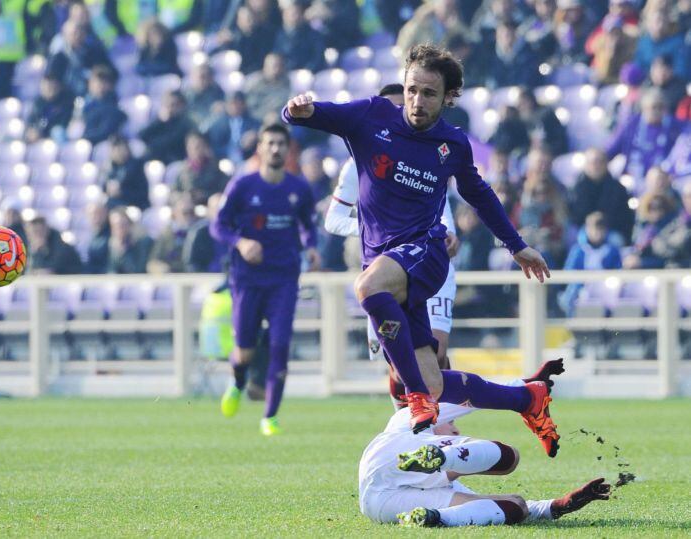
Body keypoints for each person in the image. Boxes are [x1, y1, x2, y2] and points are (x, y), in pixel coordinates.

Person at [283, 44, 551, 437]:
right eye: (411, 90)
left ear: (447, 98)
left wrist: (516, 245)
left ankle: (416, 397)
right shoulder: (371, 116)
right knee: (436, 381)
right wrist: (296, 109)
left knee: (368, 289)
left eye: (428, 93)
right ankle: (528, 398)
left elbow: (480, 195)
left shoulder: (452, 144)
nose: (417, 101)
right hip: (383, 259)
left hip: (426, 252)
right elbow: (304, 115)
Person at [324, 83, 458, 396]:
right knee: (401, 360)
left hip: (428, 258)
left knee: (436, 351)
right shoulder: (358, 163)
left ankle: (444, 423)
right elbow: (333, 221)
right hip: (385, 265)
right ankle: (413, 423)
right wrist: (375, 227)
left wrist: (450, 233)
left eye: (402, 107)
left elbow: (443, 206)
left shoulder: (427, 153)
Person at [360, 379, 610, 527]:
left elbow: (473, 396)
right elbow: (471, 397)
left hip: (377, 504)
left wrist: (559, 505)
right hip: (390, 466)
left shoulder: (407, 420)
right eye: (453, 428)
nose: (456, 432)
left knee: (516, 507)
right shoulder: (409, 419)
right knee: (510, 457)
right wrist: (521, 386)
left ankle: (434, 518)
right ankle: (442, 462)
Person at [211, 123, 320, 436]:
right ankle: (238, 380)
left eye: (280, 144)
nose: (275, 149)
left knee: (280, 345)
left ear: (288, 150)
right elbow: (218, 227)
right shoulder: (242, 186)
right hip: (247, 280)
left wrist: (311, 248)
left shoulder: (298, 189)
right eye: (269, 143)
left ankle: (270, 417)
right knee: (244, 349)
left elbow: (307, 226)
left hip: (284, 278)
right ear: (259, 149)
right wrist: (241, 243)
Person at [606, 88, 684, 187]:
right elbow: (612, 147)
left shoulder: (674, 126)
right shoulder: (631, 124)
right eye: (653, 107)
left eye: (660, 107)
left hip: (662, 181)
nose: (656, 111)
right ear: (644, 108)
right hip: (632, 177)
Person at [558, 212, 622, 316]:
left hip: (604, 285)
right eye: (593, 229)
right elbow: (569, 270)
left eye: (600, 229)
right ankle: (571, 317)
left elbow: (618, 269)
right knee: (573, 290)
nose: (597, 233)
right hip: (583, 285)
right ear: (587, 229)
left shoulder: (611, 250)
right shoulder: (578, 250)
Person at [569, 148, 635, 244]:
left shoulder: (618, 189)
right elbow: (575, 215)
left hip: (610, 231)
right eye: (593, 162)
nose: (596, 166)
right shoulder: (576, 188)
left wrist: (601, 226)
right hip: (584, 230)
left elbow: (624, 218)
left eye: (600, 162)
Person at [46, 19, 114, 98]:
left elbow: (111, 73)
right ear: (65, 36)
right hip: (66, 100)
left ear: (85, 34)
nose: (77, 36)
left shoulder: (95, 53)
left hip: (94, 97)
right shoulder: (58, 58)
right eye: (73, 33)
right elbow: (50, 80)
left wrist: (98, 76)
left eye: (80, 32)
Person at [172, 131, 230, 205]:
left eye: (198, 146)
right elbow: (173, 192)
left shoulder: (215, 169)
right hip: (188, 210)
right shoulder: (182, 171)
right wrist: (182, 197)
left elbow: (225, 191)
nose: (194, 150)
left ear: (205, 147)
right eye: (190, 147)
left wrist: (204, 195)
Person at [139, 90, 196, 165]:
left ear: (182, 106)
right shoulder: (162, 120)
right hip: (157, 159)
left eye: (173, 105)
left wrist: (151, 143)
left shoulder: (186, 123)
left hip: (176, 161)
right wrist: (160, 121)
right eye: (166, 104)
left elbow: (169, 142)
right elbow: (142, 135)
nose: (169, 108)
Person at [147, 192, 200, 273]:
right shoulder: (166, 234)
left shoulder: (201, 233)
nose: (188, 206)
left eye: (190, 212)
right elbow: (153, 263)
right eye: (185, 212)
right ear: (174, 211)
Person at [204, 91, 261, 164]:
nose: (235, 107)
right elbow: (214, 147)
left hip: (248, 160)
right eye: (232, 103)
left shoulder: (254, 123)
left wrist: (255, 135)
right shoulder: (218, 125)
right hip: (224, 161)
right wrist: (231, 151)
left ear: (244, 104)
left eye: (238, 103)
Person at [272, 0, 326, 72]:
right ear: (284, 15)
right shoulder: (275, 34)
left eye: (296, 13)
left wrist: (308, 70)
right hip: (281, 74)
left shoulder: (313, 35)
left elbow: (318, 57)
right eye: (290, 13)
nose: (294, 17)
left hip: (305, 74)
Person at [100, 135, 150, 210]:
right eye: (115, 150)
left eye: (121, 149)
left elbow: (142, 194)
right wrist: (108, 189)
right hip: (114, 204)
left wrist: (121, 192)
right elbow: (103, 187)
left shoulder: (137, 166)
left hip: (133, 205)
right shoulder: (109, 167)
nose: (119, 153)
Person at [81, 65, 127, 145]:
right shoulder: (88, 107)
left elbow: (104, 133)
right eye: (93, 81)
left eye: (99, 82)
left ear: (109, 85)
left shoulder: (113, 109)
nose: (95, 85)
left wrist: (84, 138)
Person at [24, 74, 75, 143]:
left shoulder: (66, 102)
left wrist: (42, 134)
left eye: (50, 88)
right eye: (44, 88)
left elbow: (63, 124)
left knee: (57, 132)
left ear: (58, 87)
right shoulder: (38, 103)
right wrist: (32, 130)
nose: (47, 90)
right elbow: (32, 121)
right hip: (38, 135)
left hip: (53, 136)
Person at [243, 52, 292, 123]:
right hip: (255, 121)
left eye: (279, 66)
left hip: (281, 121)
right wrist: (264, 116)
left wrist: (278, 115)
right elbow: (249, 107)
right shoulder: (254, 83)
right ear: (265, 66)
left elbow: (290, 106)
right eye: (273, 66)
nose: (276, 69)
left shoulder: (288, 83)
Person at [652, 182, 691, 268]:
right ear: (684, 199)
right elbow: (658, 243)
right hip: (678, 266)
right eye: (689, 196)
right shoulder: (677, 220)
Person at [106, 207, 153, 273]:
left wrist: (123, 252)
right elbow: (110, 271)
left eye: (122, 225)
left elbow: (137, 271)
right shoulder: (110, 244)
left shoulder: (143, 243)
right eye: (114, 226)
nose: (118, 229)